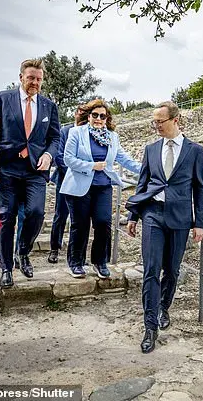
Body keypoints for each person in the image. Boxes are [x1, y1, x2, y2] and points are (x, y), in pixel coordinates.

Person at [126, 101, 203, 354]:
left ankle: (163, 306)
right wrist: (133, 216)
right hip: (153, 215)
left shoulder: (195, 151)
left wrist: (199, 224)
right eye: (154, 122)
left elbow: (200, 189)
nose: (156, 126)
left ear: (175, 120)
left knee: (171, 271)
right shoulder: (150, 150)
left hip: (181, 218)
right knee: (151, 270)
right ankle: (150, 327)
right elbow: (142, 184)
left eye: (160, 121)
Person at [0, 58, 60, 289]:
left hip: (35, 171)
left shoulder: (49, 106)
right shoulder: (2, 99)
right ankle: (6, 267)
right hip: (6, 168)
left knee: (36, 213)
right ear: (21, 77)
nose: (35, 82)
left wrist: (49, 155)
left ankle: (24, 252)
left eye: (39, 79)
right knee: (5, 217)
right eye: (31, 78)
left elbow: (55, 138)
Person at [60, 99, 141, 278]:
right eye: (95, 115)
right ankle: (76, 262)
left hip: (103, 186)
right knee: (80, 225)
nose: (98, 118)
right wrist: (91, 166)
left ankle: (100, 261)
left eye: (102, 116)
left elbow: (124, 158)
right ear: (89, 116)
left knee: (103, 222)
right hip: (79, 187)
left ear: (107, 118)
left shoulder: (113, 137)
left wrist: (147, 169)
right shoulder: (76, 133)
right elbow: (68, 159)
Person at [47, 104, 87, 264]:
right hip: (65, 180)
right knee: (60, 216)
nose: (83, 116)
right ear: (76, 113)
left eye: (86, 114)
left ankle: (77, 254)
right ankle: (54, 249)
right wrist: (76, 170)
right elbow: (59, 156)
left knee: (81, 219)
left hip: (85, 181)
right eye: (81, 113)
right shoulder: (64, 131)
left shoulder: (88, 133)